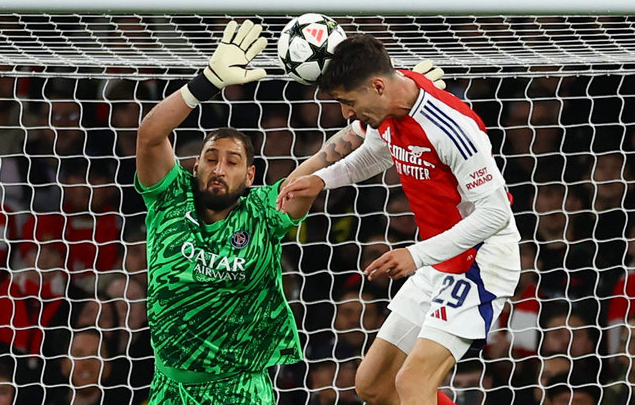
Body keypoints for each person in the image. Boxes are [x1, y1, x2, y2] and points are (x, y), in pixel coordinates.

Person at [277, 34, 521, 405]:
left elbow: (496, 213)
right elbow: (376, 154)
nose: (346, 114)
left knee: (412, 382)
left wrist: (416, 255)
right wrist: (322, 180)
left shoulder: (451, 129)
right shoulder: (389, 106)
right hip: (439, 259)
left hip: (481, 261)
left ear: (376, 86)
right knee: (373, 384)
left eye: (348, 102)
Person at [134, 20, 318, 404]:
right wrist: (208, 81)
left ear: (250, 175)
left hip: (241, 389)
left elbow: (317, 168)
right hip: (169, 387)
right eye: (211, 159)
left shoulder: (264, 210)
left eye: (232, 162)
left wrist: (375, 120)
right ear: (195, 165)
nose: (219, 169)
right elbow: (150, 133)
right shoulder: (170, 196)